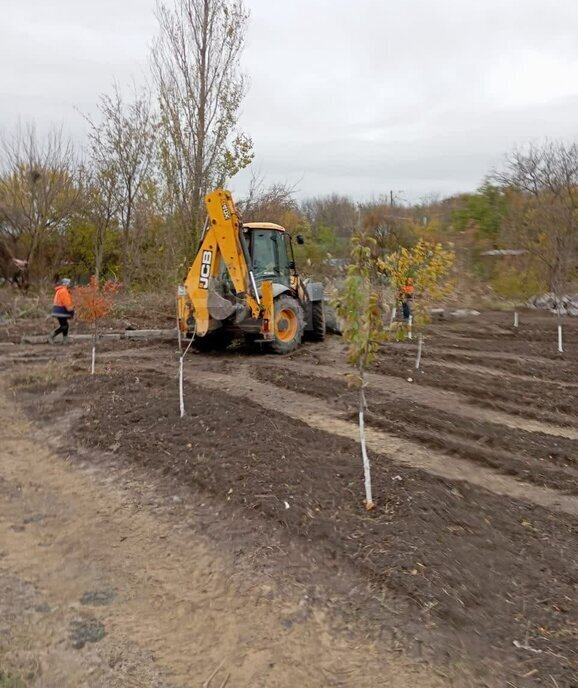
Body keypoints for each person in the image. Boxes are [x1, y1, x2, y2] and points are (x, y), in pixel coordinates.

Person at [49, 277, 74, 344]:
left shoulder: (59, 290)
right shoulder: (64, 291)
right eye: (69, 284)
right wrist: (71, 312)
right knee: (64, 326)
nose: (70, 285)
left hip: (57, 310)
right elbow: (67, 303)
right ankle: (52, 336)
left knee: (65, 325)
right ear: (66, 284)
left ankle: (65, 340)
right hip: (61, 311)